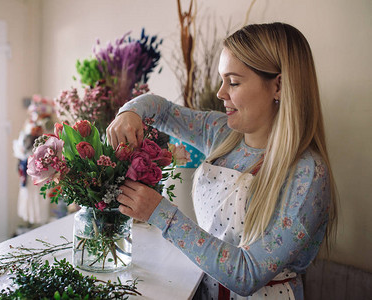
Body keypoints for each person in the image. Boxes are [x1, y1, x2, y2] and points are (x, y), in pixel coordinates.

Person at [106, 22, 337, 300]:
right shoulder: (220, 132)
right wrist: (130, 112)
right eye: (221, 79)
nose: (220, 93)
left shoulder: (307, 175)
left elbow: (247, 274)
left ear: (278, 85)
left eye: (234, 82)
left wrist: (159, 212)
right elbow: (163, 111)